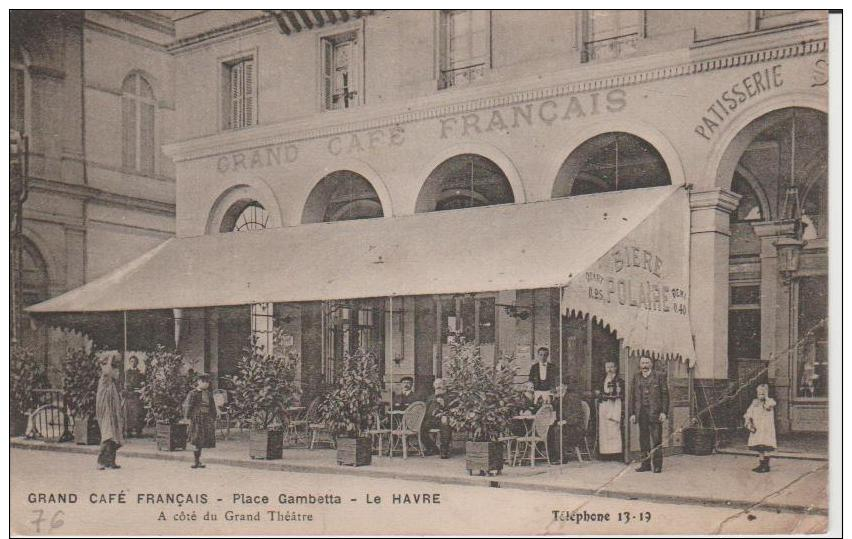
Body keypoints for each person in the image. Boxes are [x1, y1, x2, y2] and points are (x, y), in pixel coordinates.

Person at [630, 356, 669, 473]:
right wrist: (632, 413)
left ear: (651, 364)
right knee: (643, 439)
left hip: (655, 412)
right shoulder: (636, 377)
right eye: (642, 363)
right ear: (640, 364)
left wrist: (664, 412)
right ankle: (645, 465)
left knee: (656, 439)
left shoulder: (659, 376)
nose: (645, 365)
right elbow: (633, 396)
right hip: (641, 413)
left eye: (647, 363)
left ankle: (657, 465)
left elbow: (665, 395)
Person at [96, 355, 125, 470]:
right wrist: (111, 358)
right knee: (108, 435)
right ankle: (100, 462)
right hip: (106, 412)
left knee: (114, 436)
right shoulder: (104, 379)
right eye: (115, 371)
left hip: (113, 413)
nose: (117, 373)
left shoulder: (112, 384)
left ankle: (111, 461)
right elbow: (107, 370)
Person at [183, 373, 216, 469]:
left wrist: (213, 416)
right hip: (197, 419)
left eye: (207, 382)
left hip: (206, 418)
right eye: (203, 382)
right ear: (198, 382)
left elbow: (212, 406)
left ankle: (198, 460)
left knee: (202, 440)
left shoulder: (209, 394)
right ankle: (196, 461)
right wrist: (187, 417)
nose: (206, 384)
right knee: (196, 439)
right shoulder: (193, 393)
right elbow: (188, 406)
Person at [548, 383, 586, 464]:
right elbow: (554, 411)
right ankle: (552, 457)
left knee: (558, 430)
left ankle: (561, 457)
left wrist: (566, 421)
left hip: (576, 428)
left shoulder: (573, 397)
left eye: (560, 386)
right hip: (565, 427)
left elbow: (577, 415)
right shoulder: (558, 398)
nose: (558, 388)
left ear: (565, 387)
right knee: (550, 429)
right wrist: (555, 400)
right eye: (557, 386)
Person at [743, 384, 777, 473]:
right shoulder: (754, 403)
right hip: (757, 428)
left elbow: (769, 406)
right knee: (759, 447)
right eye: (759, 393)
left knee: (766, 446)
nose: (760, 395)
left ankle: (766, 466)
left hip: (766, 428)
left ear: (766, 393)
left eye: (763, 393)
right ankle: (761, 464)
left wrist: (765, 399)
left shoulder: (769, 402)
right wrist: (748, 420)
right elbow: (749, 412)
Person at [596, 361, 625, 459]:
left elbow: (623, 394)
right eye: (607, 367)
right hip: (604, 405)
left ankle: (616, 454)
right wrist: (600, 395)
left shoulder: (619, 381)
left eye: (612, 367)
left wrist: (616, 396)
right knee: (604, 430)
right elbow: (598, 391)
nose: (609, 369)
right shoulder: (602, 380)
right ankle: (605, 454)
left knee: (614, 429)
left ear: (616, 368)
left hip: (614, 406)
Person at [423, 379, 452, 458]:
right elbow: (424, 408)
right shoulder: (430, 397)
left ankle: (444, 451)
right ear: (433, 386)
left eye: (440, 384)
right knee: (420, 427)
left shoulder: (449, 396)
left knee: (445, 423)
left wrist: (444, 404)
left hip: (443, 419)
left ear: (444, 385)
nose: (438, 386)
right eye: (436, 384)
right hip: (430, 420)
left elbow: (453, 410)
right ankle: (432, 448)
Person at [123, 355, 145, 437]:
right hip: (129, 395)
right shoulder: (127, 373)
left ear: (137, 363)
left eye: (135, 361)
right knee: (129, 413)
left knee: (138, 413)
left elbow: (142, 384)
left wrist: (141, 389)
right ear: (129, 362)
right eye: (131, 361)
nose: (133, 363)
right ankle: (128, 430)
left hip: (137, 395)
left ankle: (138, 431)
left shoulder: (140, 373)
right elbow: (126, 384)